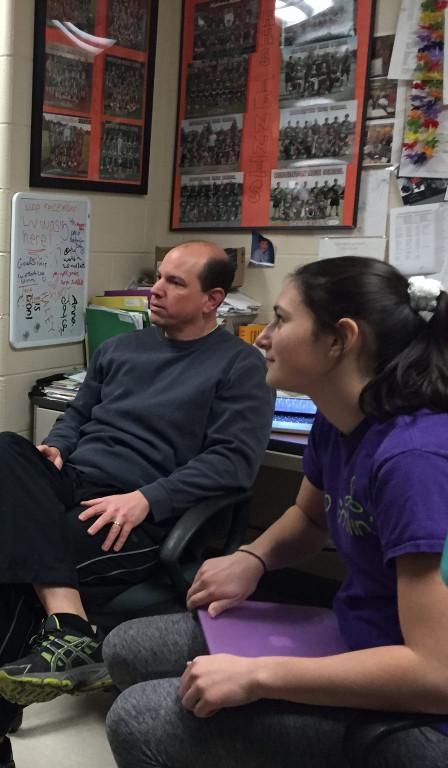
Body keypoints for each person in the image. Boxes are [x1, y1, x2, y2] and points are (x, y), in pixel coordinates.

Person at [0, 241, 273, 768]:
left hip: (136, 509)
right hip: (75, 479)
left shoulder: (239, 366)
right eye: (157, 277)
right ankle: (70, 626)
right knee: (2, 448)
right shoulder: (121, 349)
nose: (155, 290)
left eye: (174, 283)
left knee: (16, 570)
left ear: (213, 299)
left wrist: (147, 498)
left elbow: (235, 464)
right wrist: (58, 448)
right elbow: (76, 415)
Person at [104, 257, 448, 768]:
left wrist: (259, 674)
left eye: (282, 320)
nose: (262, 336)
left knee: (139, 718)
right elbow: (309, 520)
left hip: (411, 694)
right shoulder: (340, 420)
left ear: (340, 339)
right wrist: (253, 559)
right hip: (360, 631)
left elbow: (435, 674)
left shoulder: (412, 459)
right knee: (125, 648)